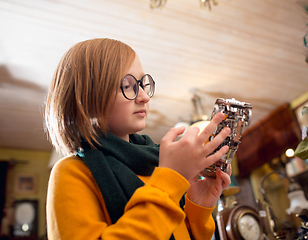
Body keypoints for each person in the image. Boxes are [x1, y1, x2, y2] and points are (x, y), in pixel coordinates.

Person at [45, 38, 232, 240]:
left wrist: (199, 206)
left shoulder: (155, 164)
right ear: (87, 98)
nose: (144, 96)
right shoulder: (71, 172)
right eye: (127, 85)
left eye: (142, 84)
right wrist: (170, 179)